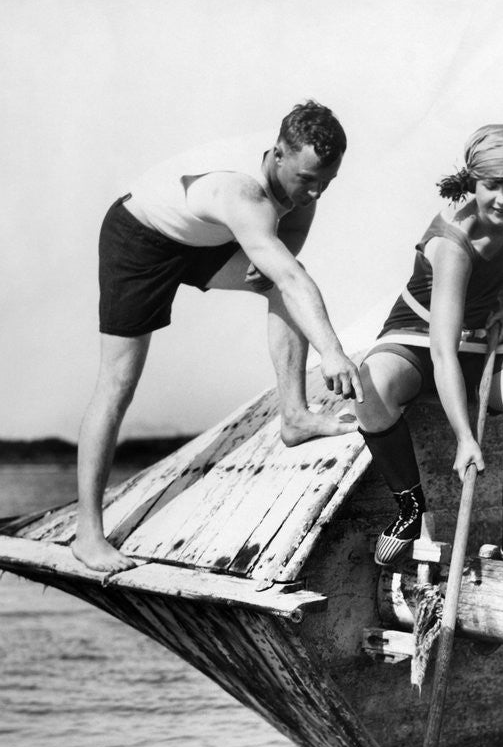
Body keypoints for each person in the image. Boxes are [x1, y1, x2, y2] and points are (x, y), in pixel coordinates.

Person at [72, 100, 364, 574]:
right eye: (306, 179)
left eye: (325, 182)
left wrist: (269, 262)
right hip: (140, 237)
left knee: (286, 283)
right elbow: (289, 277)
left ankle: (295, 416)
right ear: (278, 155)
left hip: (204, 240)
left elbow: (282, 270)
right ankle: (88, 535)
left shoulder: (300, 190)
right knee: (118, 384)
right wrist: (332, 352)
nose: (313, 192)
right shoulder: (242, 191)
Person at [354, 123, 503, 576]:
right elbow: (442, 352)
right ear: (471, 183)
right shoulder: (453, 240)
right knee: (369, 390)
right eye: (491, 186)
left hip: (481, 336)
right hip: (419, 337)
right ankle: (407, 512)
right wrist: (465, 438)